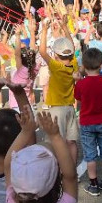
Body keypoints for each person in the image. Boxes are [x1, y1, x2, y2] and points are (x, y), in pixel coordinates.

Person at [38, 21, 80, 164]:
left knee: (55, 142)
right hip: (70, 108)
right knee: (71, 142)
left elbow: (42, 51)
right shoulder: (73, 64)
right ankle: (72, 168)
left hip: (56, 109)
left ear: (56, 55)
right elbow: (72, 47)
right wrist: (65, 28)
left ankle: (57, 169)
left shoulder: (55, 66)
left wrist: (44, 30)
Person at [75, 47, 102, 196]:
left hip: (86, 122)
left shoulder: (81, 84)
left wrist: (78, 81)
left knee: (90, 155)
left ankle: (93, 184)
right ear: (101, 64)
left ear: (83, 66)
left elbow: (78, 98)